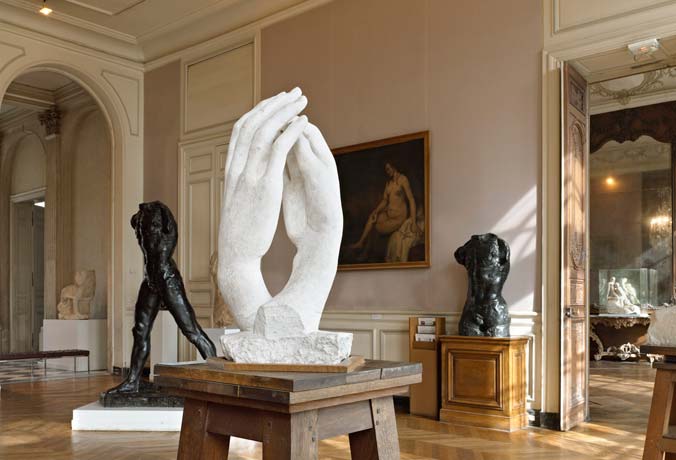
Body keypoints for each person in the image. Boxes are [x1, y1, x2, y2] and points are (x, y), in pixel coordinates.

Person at [104, 201, 217, 395]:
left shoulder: (165, 219)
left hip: (167, 278)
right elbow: (134, 221)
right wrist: (143, 215)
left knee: (191, 330)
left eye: (154, 223)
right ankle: (132, 381)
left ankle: (218, 378)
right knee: (140, 331)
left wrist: (154, 210)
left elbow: (166, 227)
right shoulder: (141, 220)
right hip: (150, 280)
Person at [350, 162, 418, 252]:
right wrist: (376, 211)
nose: (387, 172)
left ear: (394, 167)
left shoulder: (403, 179)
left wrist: (413, 222)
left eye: (388, 169)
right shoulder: (388, 183)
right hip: (388, 214)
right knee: (372, 217)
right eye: (386, 170)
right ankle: (360, 243)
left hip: (398, 218)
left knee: (376, 227)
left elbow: (411, 199)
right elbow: (385, 200)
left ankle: (366, 252)